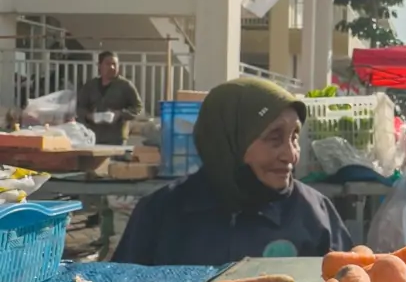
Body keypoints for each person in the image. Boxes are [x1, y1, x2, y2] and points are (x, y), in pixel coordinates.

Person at [113, 77, 353, 265]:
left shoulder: (314, 214)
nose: (290, 155)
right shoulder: (161, 214)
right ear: (228, 141)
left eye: (294, 137)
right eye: (274, 138)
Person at [76, 52, 143, 146]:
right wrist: (89, 116)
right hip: (93, 136)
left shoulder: (125, 86)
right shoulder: (90, 86)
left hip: (117, 138)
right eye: (108, 64)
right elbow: (79, 107)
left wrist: (120, 114)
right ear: (99, 66)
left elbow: (138, 108)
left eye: (114, 64)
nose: (112, 67)